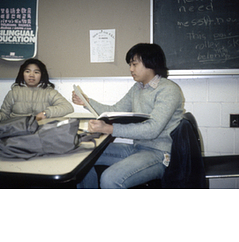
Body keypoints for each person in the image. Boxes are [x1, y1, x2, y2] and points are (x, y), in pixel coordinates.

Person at [72, 43, 184, 188]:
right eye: (130, 65)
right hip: (137, 148)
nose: (131, 69)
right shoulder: (137, 89)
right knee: (82, 157)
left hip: (160, 154)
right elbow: (115, 110)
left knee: (110, 178)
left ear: (151, 63)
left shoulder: (169, 90)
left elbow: (152, 129)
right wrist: (86, 102)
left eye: (134, 64)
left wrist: (110, 129)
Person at [0, 58, 74, 128]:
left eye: (36, 72)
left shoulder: (49, 92)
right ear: (22, 73)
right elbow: (4, 114)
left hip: (39, 132)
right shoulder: (13, 93)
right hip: (15, 132)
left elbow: (68, 107)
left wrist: (45, 113)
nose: (31, 75)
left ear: (42, 74)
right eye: (27, 71)